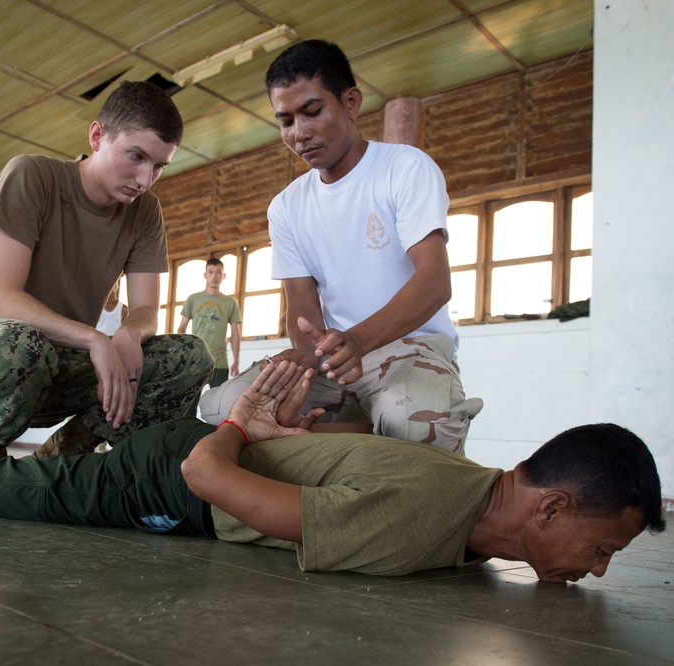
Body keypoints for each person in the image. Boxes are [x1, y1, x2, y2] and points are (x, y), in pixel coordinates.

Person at [0, 360, 664, 582]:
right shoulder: (425, 521)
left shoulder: (467, 507)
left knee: (27, 471)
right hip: (171, 475)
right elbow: (209, 479)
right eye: (603, 545)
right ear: (555, 506)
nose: (601, 567)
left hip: (196, 457)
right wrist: (237, 425)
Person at [202, 40, 484, 454]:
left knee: (416, 423)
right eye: (285, 121)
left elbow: (435, 282)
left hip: (411, 345)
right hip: (333, 358)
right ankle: (362, 434)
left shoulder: (403, 168)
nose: (300, 133)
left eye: (312, 112)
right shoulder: (287, 206)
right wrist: (307, 357)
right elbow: (301, 305)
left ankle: (368, 434)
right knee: (223, 408)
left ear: (351, 102)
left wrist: (355, 341)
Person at [0, 81, 212, 460]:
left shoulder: (145, 212)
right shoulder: (32, 176)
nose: (145, 179)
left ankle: (63, 455)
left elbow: (146, 310)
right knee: (21, 346)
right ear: (97, 135)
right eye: (136, 156)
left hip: (62, 357)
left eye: (159, 166)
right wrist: (97, 340)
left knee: (190, 357)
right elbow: (0, 299)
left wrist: (128, 334)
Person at [178, 258, 242, 415]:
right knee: (189, 406)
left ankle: (217, 435)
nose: (214, 276)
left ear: (224, 276)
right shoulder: (193, 299)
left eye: (218, 272)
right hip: (195, 360)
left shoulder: (230, 302)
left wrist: (236, 360)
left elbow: (235, 332)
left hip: (219, 360)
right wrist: (181, 355)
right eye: (211, 272)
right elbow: (182, 328)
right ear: (205, 275)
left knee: (220, 404)